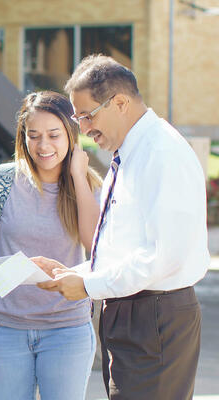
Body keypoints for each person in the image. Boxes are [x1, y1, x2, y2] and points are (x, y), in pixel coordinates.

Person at [37, 55, 210, 400]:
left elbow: (163, 257)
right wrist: (75, 273)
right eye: (78, 117)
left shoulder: (161, 153)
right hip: (137, 313)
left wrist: (87, 284)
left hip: (153, 317)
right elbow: (127, 247)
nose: (83, 128)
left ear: (119, 103)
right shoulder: (131, 151)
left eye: (87, 115)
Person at [0, 91, 102, 400]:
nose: (43, 146)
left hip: (67, 332)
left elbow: (94, 244)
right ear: (22, 136)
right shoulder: (1, 182)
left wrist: (78, 175)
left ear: (71, 134)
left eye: (54, 135)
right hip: (4, 331)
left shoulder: (90, 186)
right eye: (34, 135)